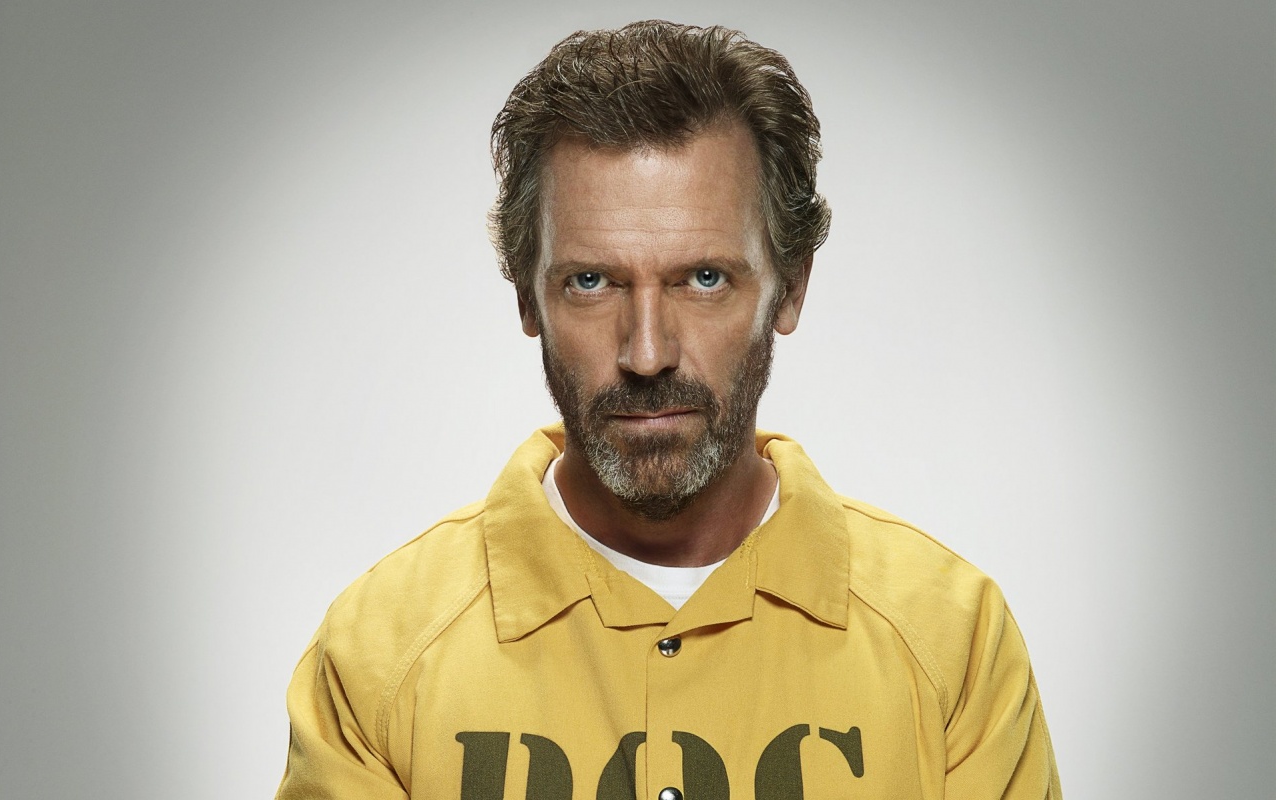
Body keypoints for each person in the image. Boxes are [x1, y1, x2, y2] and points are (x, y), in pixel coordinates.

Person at [276, 20, 1062, 799]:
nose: (647, 353)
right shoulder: (377, 656)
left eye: (704, 279)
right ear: (527, 297)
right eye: (591, 282)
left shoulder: (953, 642)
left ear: (789, 288)